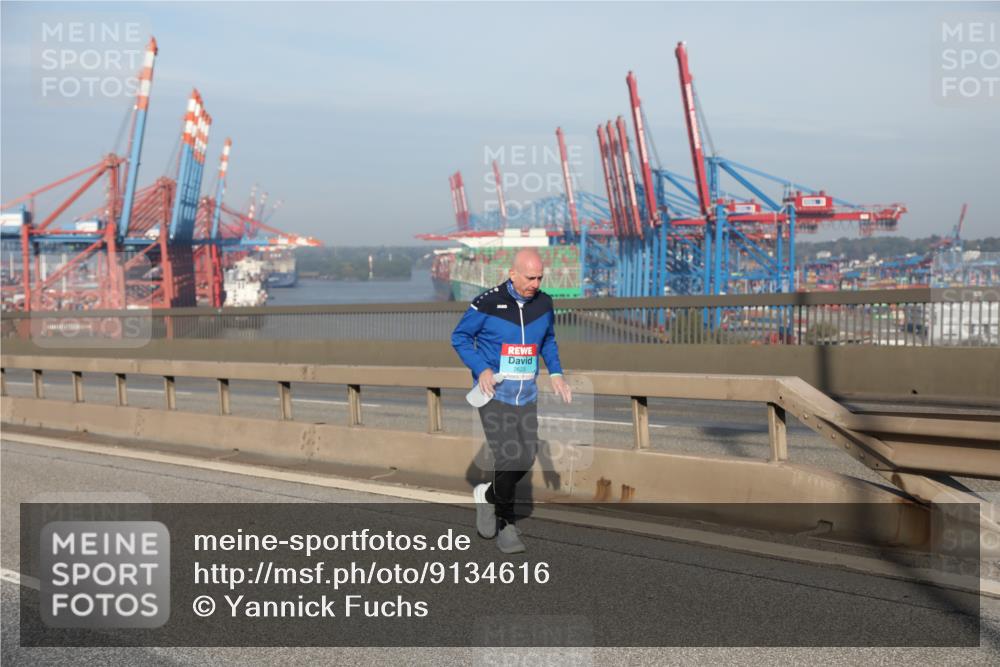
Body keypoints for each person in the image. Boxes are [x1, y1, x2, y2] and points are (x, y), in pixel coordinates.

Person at [451, 248, 572, 554]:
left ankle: (488, 496)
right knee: (509, 457)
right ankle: (507, 523)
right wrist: (482, 369)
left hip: (527, 395)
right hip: (496, 394)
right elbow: (461, 338)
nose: (536, 283)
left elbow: (547, 340)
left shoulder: (544, 303)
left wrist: (556, 373)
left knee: (526, 457)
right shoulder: (487, 303)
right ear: (512, 273)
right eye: (530, 277)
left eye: (540, 277)